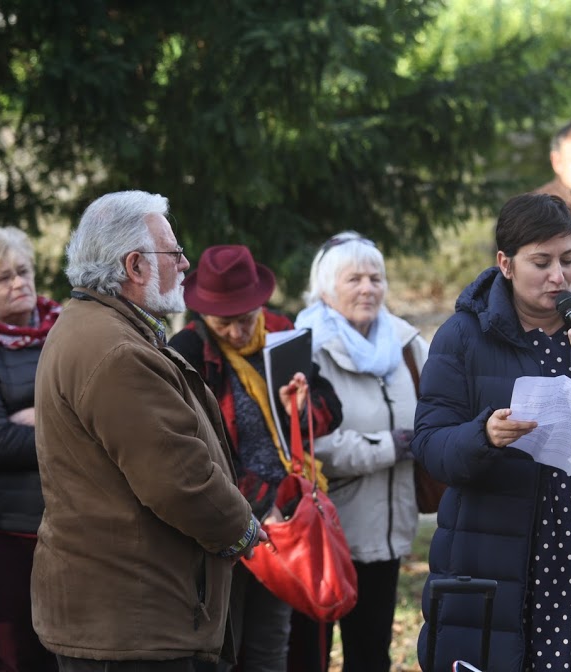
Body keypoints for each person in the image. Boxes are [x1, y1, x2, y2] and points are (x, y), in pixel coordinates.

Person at [413, 193, 571, 671]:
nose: (559, 276)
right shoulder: (463, 336)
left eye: (568, 259)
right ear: (505, 264)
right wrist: (483, 436)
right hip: (499, 553)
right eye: (541, 262)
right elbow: (430, 445)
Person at [32, 190, 266, 670]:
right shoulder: (117, 350)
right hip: (133, 623)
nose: (185, 264)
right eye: (174, 252)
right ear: (135, 266)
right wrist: (241, 528)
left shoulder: (99, 326)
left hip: (125, 613)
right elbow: (179, 480)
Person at [168, 244, 343, 672]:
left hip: (283, 523)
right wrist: (255, 501)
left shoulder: (282, 335)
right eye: (224, 323)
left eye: (246, 319)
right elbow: (190, 445)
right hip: (224, 521)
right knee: (221, 648)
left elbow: (332, 409)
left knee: (270, 646)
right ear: (204, 315)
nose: (237, 332)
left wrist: (301, 407)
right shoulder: (188, 351)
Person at [290, 231, 427, 672]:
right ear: (326, 288)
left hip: (387, 531)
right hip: (324, 533)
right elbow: (310, 444)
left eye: (376, 278)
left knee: (372, 656)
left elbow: (431, 411)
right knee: (308, 657)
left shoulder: (406, 344)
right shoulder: (305, 347)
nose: (368, 288)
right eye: (354, 279)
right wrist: (390, 447)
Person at [0, 227, 59, 672]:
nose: (19, 283)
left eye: (23, 271)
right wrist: (68, 428)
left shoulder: (65, 329)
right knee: (13, 657)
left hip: (69, 524)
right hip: (3, 531)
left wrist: (41, 416)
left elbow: (103, 414)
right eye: (2, 278)